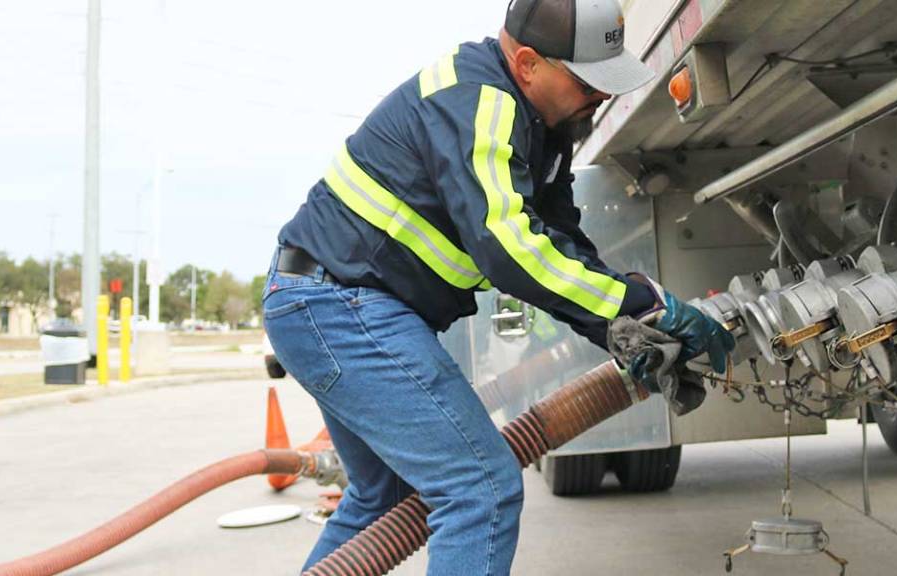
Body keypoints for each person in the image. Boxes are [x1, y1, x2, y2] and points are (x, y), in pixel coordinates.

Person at [263, 0, 734, 573]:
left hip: (328, 304)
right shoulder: (482, 103)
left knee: (380, 498)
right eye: (588, 83)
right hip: (340, 307)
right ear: (530, 64)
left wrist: (628, 328)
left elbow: (559, 240)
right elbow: (510, 250)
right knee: (481, 488)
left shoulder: (543, 124)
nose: (601, 97)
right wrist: (645, 306)